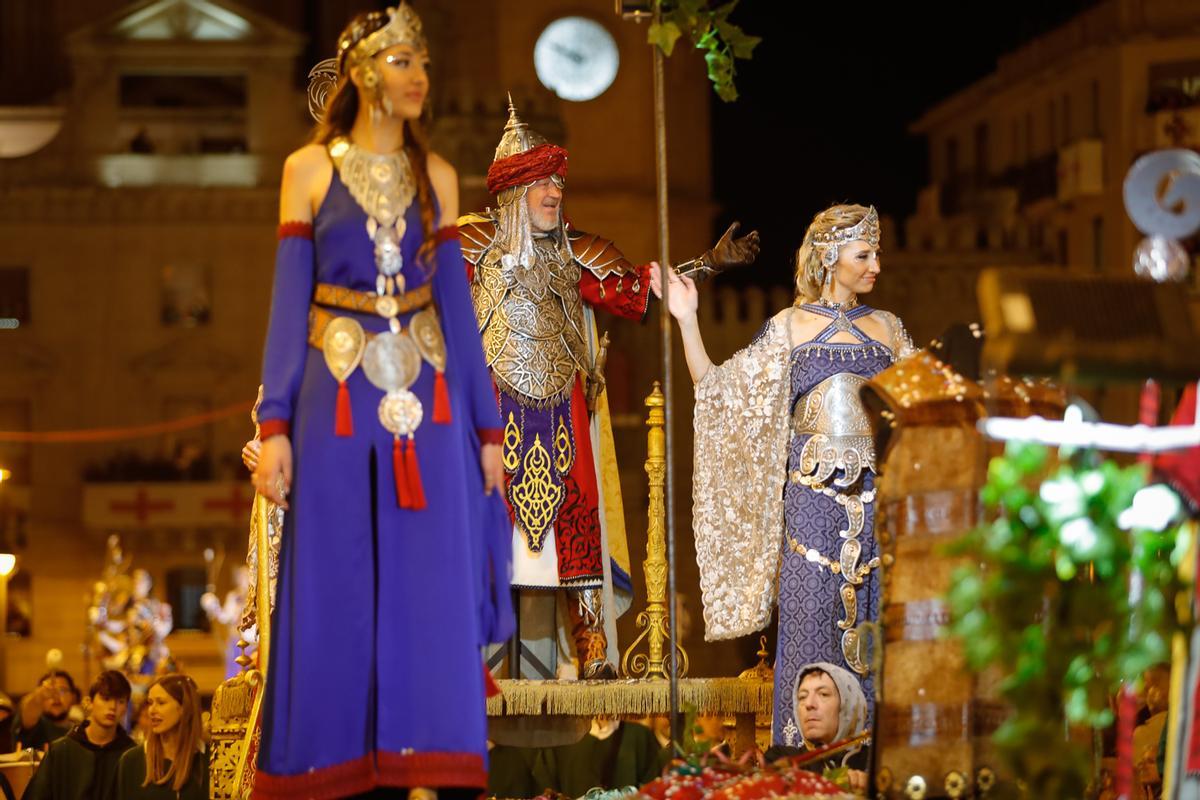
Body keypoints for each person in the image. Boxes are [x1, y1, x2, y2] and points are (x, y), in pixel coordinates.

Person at [247, 4, 513, 797]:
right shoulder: (308, 170)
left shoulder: (437, 179)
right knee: (332, 574)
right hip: (334, 398)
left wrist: (487, 430)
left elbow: (457, 315)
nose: (420, 77)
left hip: (424, 407)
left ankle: (426, 757)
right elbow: (288, 305)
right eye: (403, 61)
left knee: (427, 576)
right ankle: (331, 765)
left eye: (422, 62)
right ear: (364, 73)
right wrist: (276, 422)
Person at [460, 100, 758, 678]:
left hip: (563, 408)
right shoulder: (466, 248)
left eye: (558, 182)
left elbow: (642, 291)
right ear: (509, 192)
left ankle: (593, 639)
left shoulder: (579, 251)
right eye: (540, 182)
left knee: (578, 512)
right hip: (491, 412)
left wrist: (709, 264)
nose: (554, 193)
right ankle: (473, 651)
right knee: (483, 522)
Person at [654, 203, 914, 746]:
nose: (876, 268)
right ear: (829, 256)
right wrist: (686, 319)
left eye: (877, 255)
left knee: (880, 641)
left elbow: (922, 412)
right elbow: (721, 395)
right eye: (864, 255)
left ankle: (875, 766)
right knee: (812, 630)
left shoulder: (889, 330)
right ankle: (800, 770)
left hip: (878, 510)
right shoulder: (789, 327)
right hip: (811, 514)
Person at [23, 670, 135, 800]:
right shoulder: (62, 750)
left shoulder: (130, 754)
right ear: (90, 702)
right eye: (106, 698)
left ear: (126, 707)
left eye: (120, 701)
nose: (113, 707)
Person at [764, 663, 869, 793]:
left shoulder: (874, 762)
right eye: (802, 697)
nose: (809, 704)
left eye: (823, 694)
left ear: (848, 705)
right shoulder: (781, 758)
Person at [116, 675, 206, 800]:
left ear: (184, 708)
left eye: (161, 702)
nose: (151, 710)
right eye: (150, 703)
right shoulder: (131, 760)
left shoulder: (210, 760)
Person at [15, 671, 76, 750]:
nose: (56, 696)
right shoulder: (35, 724)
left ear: (73, 697)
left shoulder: (78, 730)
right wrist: (39, 696)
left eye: (62, 691)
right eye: (50, 692)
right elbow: (29, 711)